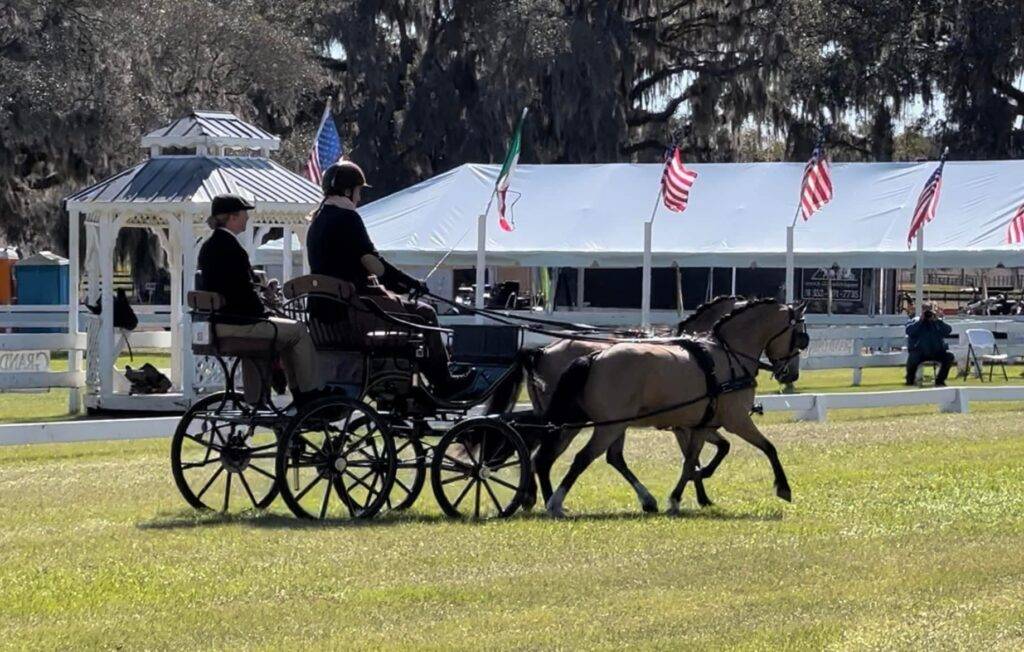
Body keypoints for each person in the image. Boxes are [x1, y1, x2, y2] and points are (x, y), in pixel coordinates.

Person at [306, 161, 474, 397]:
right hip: (354, 312)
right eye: (358, 191)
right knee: (425, 314)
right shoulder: (347, 218)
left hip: (325, 320)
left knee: (415, 315)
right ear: (347, 191)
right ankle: (443, 382)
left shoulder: (317, 222)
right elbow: (374, 264)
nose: (359, 198)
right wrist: (409, 284)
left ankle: (420, 388)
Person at [197, 194, 325, 404]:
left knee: (285, 335)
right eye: (244, 213)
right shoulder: (231, 249)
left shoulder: (209, 246)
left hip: (219, 322)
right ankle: (309, 392)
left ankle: (260, 398)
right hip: (238, 322)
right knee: (299, 331)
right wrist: (266, 313)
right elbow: (241, 294)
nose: (248, 218)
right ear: (232, 217)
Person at [905, 303, 955, 386]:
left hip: (936, 351)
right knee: (913, 357)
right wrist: (920, 321)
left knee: (949, 357)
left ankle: (940, 380)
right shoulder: (915, 320)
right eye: (925, 310)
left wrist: (938, 321)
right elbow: (909, 331)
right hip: (920, 352)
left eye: (929, 310)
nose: (927, 313)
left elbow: (948, 330)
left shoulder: (936, 322)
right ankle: (910, 380)